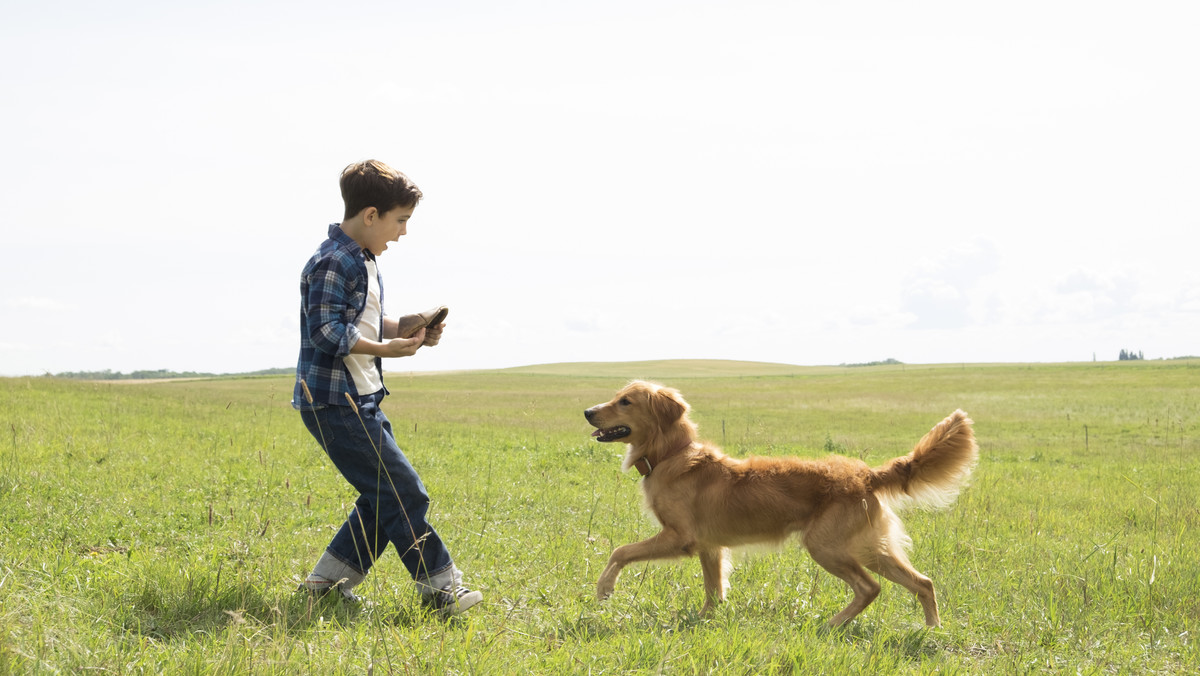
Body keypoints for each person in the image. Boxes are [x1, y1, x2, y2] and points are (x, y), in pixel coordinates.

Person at [292, 159, 481, 616]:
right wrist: (386, 349)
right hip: (335, 402)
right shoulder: (333, 261)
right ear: (371, 215)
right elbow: (326, 332)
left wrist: (407, 326)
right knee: (405, 492)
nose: (403, 232)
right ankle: (441, 590)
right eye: (401, 220)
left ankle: (324, 585)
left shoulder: (362, 259)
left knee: (385, 494)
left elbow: (362, 321)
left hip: (361, 399)